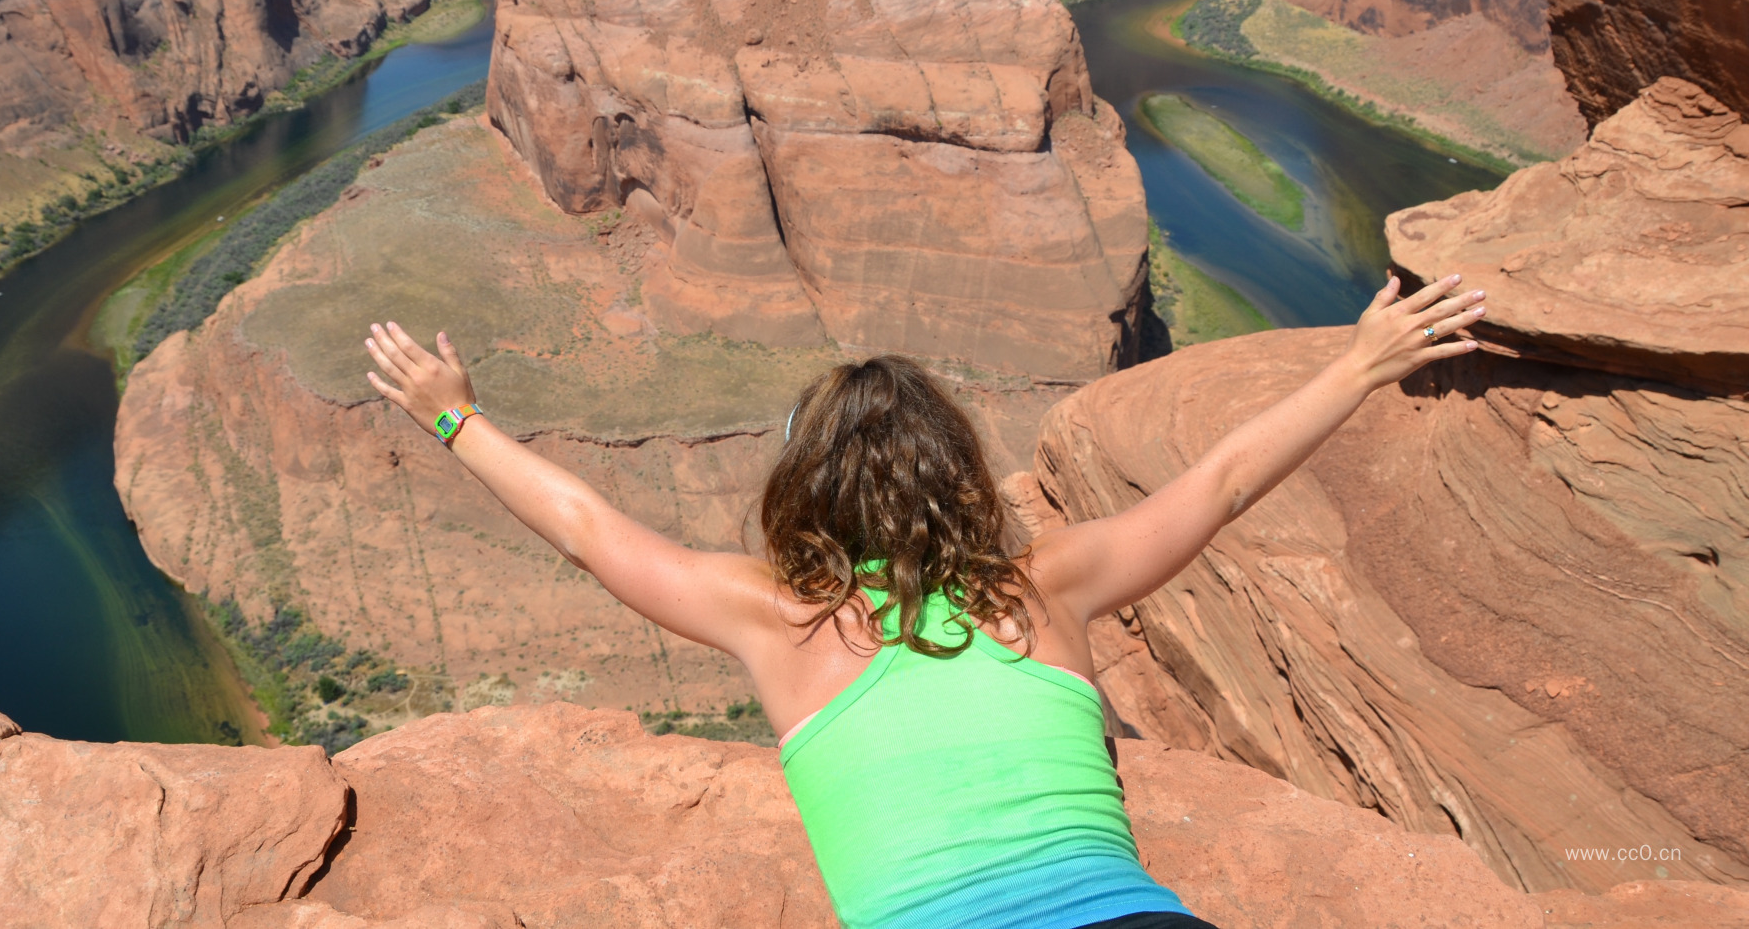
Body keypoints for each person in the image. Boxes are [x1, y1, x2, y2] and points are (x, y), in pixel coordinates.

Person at [363, 271, 1484, 929]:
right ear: (954, 472)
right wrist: (1357, 362)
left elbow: (586, 527)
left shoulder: (771, 614)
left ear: (805, 492)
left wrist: (454, 417)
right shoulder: (1046, 582)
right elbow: (1225, 482)